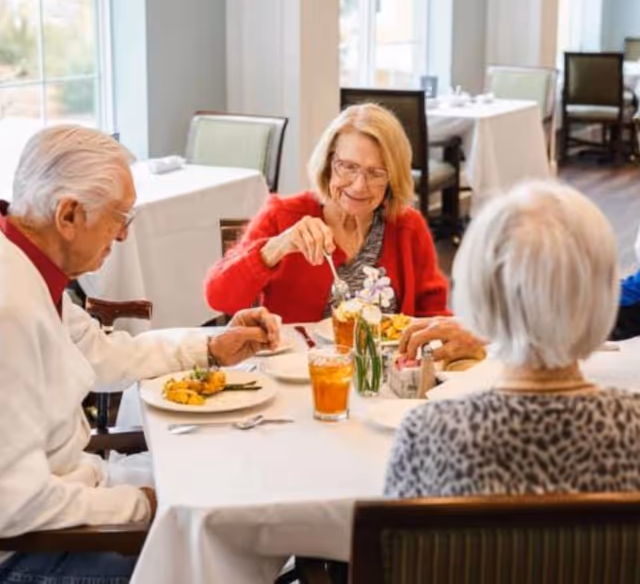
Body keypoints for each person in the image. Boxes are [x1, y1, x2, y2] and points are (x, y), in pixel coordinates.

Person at [0, 126, 279, 583]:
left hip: (69, 496)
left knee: (226, 497)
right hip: (30, 554)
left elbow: (104, 353)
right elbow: (15, 504)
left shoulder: (27, 265)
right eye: (119, 218)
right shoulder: (9, 308)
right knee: (222, 543)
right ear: (69, 215)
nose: (124, 236)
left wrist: (210, 346)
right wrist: (144, 504)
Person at [385, 180, 640, 498]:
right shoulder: (632, 431)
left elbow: (402, 545)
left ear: (476, 292)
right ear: (597, 300)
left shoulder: (429, 435)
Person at [205, 103, 450, 323]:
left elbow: (434, 317)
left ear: (393, 178)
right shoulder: (283, 215)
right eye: (348, 167)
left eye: (376, 173)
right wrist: (277, 247)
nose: (359, 186)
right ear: (328, 162)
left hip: (384, 372)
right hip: (299, 370)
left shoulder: (408, 227)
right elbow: (218, 297)